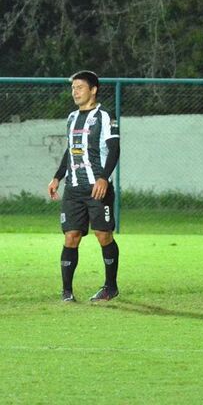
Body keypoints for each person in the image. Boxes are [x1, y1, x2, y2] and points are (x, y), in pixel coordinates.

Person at [47, 71, 121, 303]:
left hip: (97, 188)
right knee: (71, 237)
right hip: (74, 188)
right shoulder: (71, 118)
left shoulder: (105, 116)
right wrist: (57, 177)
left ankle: (110, 287)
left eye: (79, 87)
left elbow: (115, 148)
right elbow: (70, 152)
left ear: (93, 89)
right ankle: (67, 292)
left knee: (103, 235)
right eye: (73, 88)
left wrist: (103, 178)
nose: (75, 92)